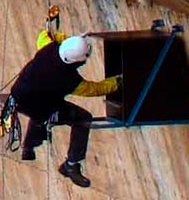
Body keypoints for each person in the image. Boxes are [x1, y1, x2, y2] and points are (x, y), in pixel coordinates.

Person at [9, 27, 121, 188]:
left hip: (18, 98)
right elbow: (94, 89)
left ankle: (29, 145)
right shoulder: (68, 79)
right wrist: (118, 81)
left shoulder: (49, 48)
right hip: (38, 104)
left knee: (41, 109)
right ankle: (71, 164)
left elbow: (44, 35)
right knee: (82, 118)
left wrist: (70, 39)